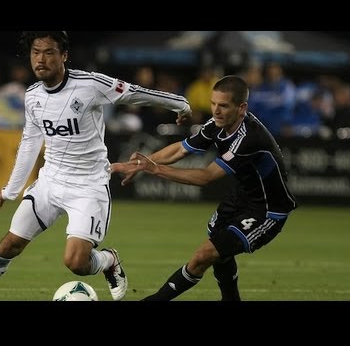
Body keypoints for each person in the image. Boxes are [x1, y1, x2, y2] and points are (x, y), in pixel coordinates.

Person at [0, 31, 192, 301]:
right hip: (50, 182)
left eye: (49, 52)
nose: (41, 59)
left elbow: (134, 93)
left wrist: (180, 104)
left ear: (64, 56)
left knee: (75, 262)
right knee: (9, 245)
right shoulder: (33, 95)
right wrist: (9, 191)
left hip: (88, 187)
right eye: (36, 52)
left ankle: (107, 260)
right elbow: (30, 143)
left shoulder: (90, 85)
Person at [112, 75, 297, 301]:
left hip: (267, 209)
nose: (216, 111)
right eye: (213, 104)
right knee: (219, 250)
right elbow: (181, 149)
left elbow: (205, 177)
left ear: (242, 108)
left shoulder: (249, 138)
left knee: (205, 254)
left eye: (224, 106)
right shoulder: (216, 124)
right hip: (241, 196)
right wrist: (141, 164)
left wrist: (155, 170)